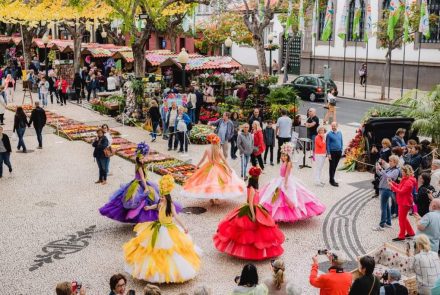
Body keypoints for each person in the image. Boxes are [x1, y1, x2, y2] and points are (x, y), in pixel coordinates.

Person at [123, 175, 201, 283]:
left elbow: (176, 217)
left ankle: (170, 274)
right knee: (150, 249)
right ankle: (154, 273)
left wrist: (184, 226)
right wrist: (149, 207)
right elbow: (156, 206)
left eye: (163, 196)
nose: (161, 198)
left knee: (170, 251)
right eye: (161, 196)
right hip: (158, 226)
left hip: (168, 229)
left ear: (167, 196)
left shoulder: (170, 205)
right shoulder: (160, 203)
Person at [214, 167, 284, 260]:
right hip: (252, 209)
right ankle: (251, 253)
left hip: (256, 207)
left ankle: (256, 252)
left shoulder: (252, 187)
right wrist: (253, 215)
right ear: (256, 177)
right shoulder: (251, 188)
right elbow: (251, 202)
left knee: (258, 232)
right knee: (251, 233)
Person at [259, 142, 326, 222]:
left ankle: (292, 212)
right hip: (280, 178)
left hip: (285, 180)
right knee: (273, 194)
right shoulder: (284, 162)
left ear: (288, 156)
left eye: (285, 156)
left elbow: (287, 174)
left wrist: (285, 183)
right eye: (282, 156)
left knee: (288, 196)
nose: (283, 157)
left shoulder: (289, 163)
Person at [181, 133, 245, 202]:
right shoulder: (219, 150)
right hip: (218, 167)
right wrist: (229, 168)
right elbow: (224, 160)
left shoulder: (207, 150)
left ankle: (212, 198)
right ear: (217, 142)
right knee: (218, 182)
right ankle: (216, 197)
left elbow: (202, 159)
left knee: (209, 182)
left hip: (208, 166)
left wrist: (197, 165)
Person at [389, 165, 417, 241]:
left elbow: (401, 191)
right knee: (404, 218)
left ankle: (401, 236)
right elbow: (400, 187)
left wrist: (392, 186)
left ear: (406, 172)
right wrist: (393, 183)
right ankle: (411, 233)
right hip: (403, 201)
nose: (401, 173)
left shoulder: (409, 182)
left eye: (402, 171)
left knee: (401, 220)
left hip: (405, 202)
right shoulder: (406, 179)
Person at [373, 155, 400, 231]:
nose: (389, 162)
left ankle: (381, 225)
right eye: (389, 160)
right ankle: (388, 223)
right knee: (387, 206)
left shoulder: (396, 170)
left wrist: (381, 169)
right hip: (383, 188)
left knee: (383, 207)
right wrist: (377, 169)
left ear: (395, 162)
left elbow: (388, 176)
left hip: (387, 189)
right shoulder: (390, 168)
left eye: (391, 161)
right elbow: (381, 175)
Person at [326, 122, 343, 187]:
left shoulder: (340, 133)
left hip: (338, 152)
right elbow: (327, 145)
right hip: (332, 153)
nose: (333, 127)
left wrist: (341, 150)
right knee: (332, 166)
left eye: (334, 126)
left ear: (337, 126)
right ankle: (331, 180)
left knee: (335, 166)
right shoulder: (329, 134)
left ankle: (332, 178)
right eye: (332, 126)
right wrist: (328, 153)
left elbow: (341, 141)